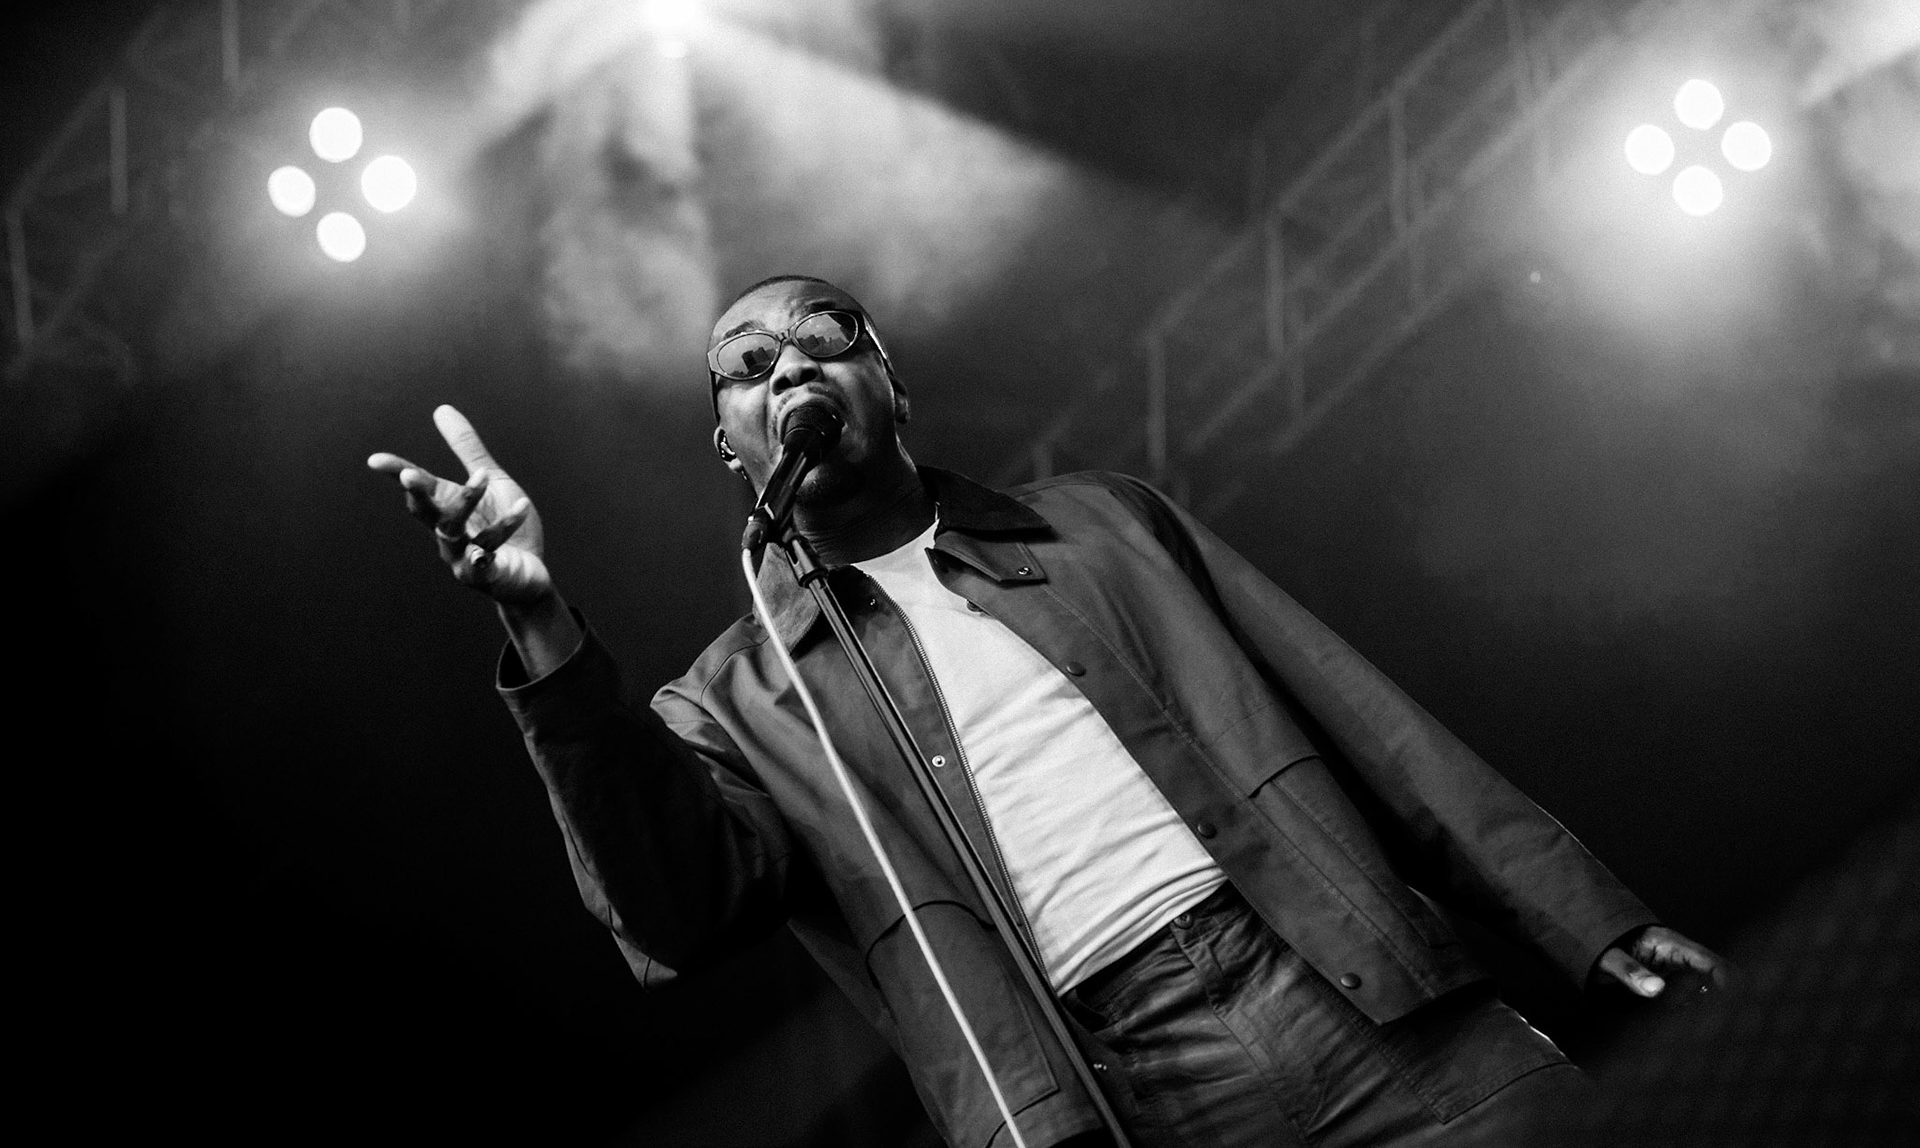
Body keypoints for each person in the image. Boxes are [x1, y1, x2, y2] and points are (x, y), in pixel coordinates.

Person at [368, 275, 1724, 1148]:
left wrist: (1587, 918)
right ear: (728, 443)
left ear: (892, 381)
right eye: (743, 364)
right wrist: (539, 623)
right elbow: (673, 909)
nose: (785, 365)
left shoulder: (1104, 527)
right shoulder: (731, 700)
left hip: (1360, 996)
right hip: (1124, 1091)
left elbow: (1378, 729)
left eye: (820, 333)